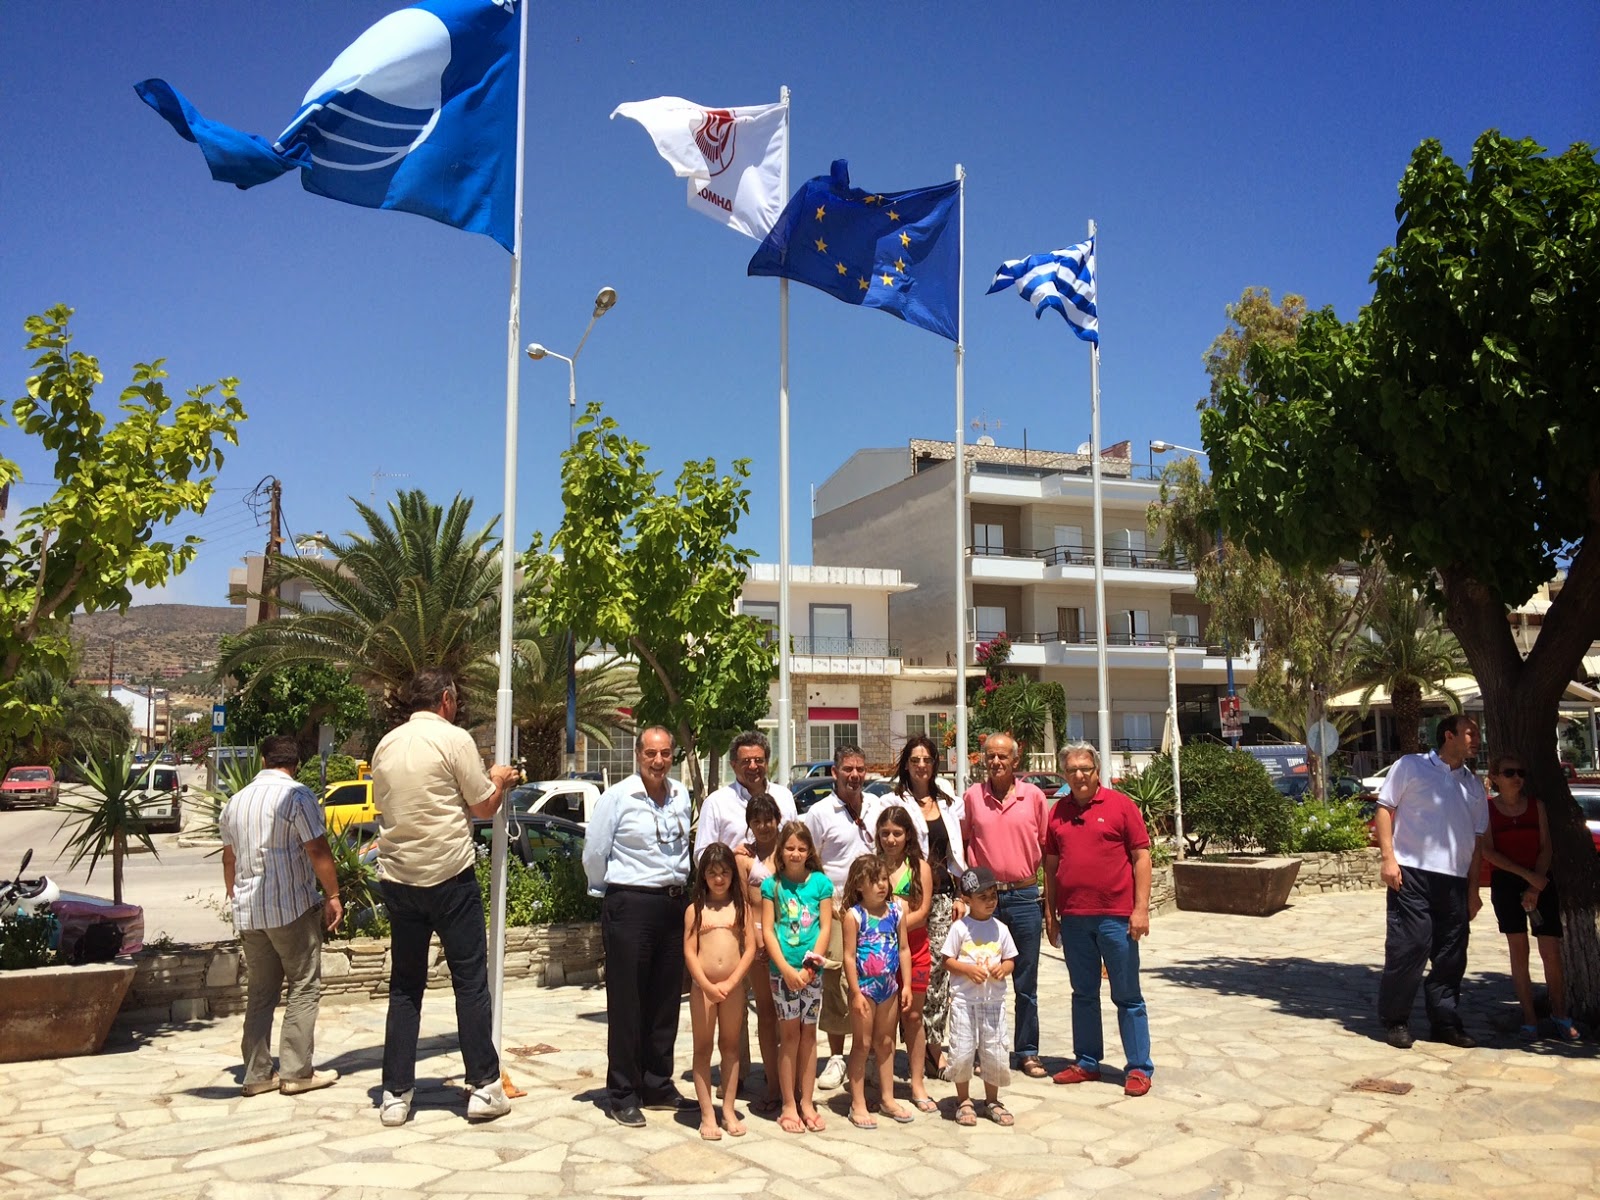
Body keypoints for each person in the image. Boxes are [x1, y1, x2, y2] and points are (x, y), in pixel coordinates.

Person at [371, 669, 520, 1126]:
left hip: (399, 878)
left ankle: (395, 1094)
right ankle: (484, 1086)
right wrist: (500, 779)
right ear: (445, 699)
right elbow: (483, 805)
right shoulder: (454, 740)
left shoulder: (386, 744)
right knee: (470, 981)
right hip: (450, 877)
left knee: (405, 987)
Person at [220, 734, 343, 1098]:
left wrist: (235, 894)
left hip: (250, 911)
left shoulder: (235, 801)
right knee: (303, 985)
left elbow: (229, 858)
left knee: (260, 992)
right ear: (296, 764)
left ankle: (257, 1073)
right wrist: (333, 895)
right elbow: (316, 848)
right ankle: (296, 1072)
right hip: (290, 907)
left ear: (263, 761)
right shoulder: (298, 796)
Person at [583, 726, 695, 1127]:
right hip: (630, 904)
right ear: (638, 755)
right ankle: (623, 1092)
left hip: (672, 905)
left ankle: (657, 1084)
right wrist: (610, 893)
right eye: (651, 753)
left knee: (665, 1000)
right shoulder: (617, 798)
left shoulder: (681, 794)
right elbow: (595, 852)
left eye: (665, 753)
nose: (658, 761)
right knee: (628, 1002)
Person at [1043, 742, 1155, 1097]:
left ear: (1097, 771)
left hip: (1116, 918)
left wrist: (1140, 909)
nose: (1079, 775)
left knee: (1127, 995)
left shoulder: (1121, 806)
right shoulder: (1058, 813)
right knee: (1083, 994)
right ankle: (1087, 1061)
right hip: (1074, 918)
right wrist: (1050, 913)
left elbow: (1141, 857)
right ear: (1064, 774)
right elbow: (1050, 866)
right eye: (1072, 770)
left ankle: (1138, 1067)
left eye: (1085, 769)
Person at [1376, 714, 1488, 1049]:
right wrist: (1388, 859)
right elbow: (1385, 809)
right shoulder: (1411, 766)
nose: (1477, 739)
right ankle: (1396, 1020)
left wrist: (1473, 890)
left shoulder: (1473, 784)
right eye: (1470, 733)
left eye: (1477, 733)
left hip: (1454, 881)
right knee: (1410, 946)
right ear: (1449, 736)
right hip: (1412, 873)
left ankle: (1445, 1023)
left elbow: (1477, 840)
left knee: (1451, 955)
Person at [960, 732, 1050, 1077]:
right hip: (985, 900)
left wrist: (1049, 903)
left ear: (1015, 760)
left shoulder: (1034, 797)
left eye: (1003, 756)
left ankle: (1027, 1051)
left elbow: (1047, 849)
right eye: (991, 756)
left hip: (1025, 897)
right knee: (981, 979)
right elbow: (962, 843)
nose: (996, 762)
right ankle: (984, 1052)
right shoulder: (972, 796)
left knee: (1026, 981)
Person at [884, 734, 966, 1080]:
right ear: (906, 764)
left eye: (927, 760)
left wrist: (961, 894)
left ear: (935, 764)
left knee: (937, 975)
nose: (921, 766)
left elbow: (958, 851)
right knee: (901, 970)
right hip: (908, 896)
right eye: (915, 760)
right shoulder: (892, 800)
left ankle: (932, 1047)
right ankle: (899, 1047)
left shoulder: (948, 801)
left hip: (943, 898)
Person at [1480, 753, 1578, 1041]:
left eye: (1520, 773)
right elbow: (1488, 851)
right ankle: (1529, 1019)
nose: (1517, 778)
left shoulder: (1537, 806)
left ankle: (1560, 1013)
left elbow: (1546, 847)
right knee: (1519, 951)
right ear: (1495, 777)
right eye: (1509, 773)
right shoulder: (1487, 810)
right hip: (1507, 882)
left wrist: (1535, 885)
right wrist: (1526, 877)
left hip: (1540, 879)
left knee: (1550, 951)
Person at [803, 744, 876, 1091]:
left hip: (872, 906)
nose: (854, 775)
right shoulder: (819, 813)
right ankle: (836, 1056)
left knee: (871, 975)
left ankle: (868, 1052)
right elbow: (811, 859)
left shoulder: (876, 805)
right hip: (834, 907)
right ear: (835, 772)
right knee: (834, 980)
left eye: (860, 769)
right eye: (848, 769)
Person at [760, 819, 834, 1134]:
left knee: (809, 1035)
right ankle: (788, 1104)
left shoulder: (821, 884)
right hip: (783, 974)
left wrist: (810, 967)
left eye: (801, 848)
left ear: (809, 852)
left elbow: (826, 927)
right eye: (789, 848)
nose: (795, 853)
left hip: (811, 973)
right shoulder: (771, 886)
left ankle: (807, 1101)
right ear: (781, 851)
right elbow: (768, 930)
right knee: (789, 1036)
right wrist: (787, 970)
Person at [684, 842, 758, 1139]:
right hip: (703, 989)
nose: (718, 879)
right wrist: (705, 984)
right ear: (703, 875)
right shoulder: (695, 910)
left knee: (730, 1047)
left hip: (732, 989)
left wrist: (732, 981)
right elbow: (689, 951)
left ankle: (728, 1108)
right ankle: (706, 1114)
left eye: (725, 872)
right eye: (712, 873)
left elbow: (750, 948)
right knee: (702, 1048)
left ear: (732, 875)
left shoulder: (741, 908)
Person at [842, 853, 914, 1129]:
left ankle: (887, 1097)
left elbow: (904, 949)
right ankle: (857, 1102)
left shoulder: (896, 911)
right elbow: (849, 956)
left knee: (886, 1043)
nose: (882, 885)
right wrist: (855, 992)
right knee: (862, 1044)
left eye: (884, 879)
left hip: (890, 988)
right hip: (865, 989)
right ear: (859, 885)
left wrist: (907, 985)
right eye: (874, 881)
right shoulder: (854, 916)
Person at [941, 865, 1017, 1127]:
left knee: (994, 1052)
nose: (990, 901)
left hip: (993, 1003)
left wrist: (1003, 969)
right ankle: (963, 1100)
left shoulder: (1001, 929)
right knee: (962, 1051)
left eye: (993, 895)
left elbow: (1010, 960)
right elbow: (947, 960)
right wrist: (967, 970)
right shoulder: (960, 928)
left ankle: (992, 1100)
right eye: (982, 897)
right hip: (964, 1002)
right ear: (967, 900)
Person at [876, 804, 937, 1112]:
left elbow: (923, 911)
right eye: (885, 833)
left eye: (897, 833)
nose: (890, 839)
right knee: (884, 1022)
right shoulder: (873, 867)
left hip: (916, 950)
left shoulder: (919, 867)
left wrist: (891, 926)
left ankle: (917, 1082)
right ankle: (884, 1084)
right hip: (881, 954)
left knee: (913, 1016)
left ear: (908, 835)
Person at [735, 793, 785, 1115]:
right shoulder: (743, 858)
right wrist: (755, 940)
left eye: (768, 819)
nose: (764, 826)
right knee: (766, 1013)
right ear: (750, 824)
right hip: (757, 942)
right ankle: (772, 1082)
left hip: (789, 940)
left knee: (790, 1016)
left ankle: (791, 1078)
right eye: (757, 821)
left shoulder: (791, 850)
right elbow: (740, 902)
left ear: (777, 819)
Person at [695, 730, 798, 858]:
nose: (753, 766)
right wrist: (730, 856)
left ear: (766, 763)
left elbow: (797, 841)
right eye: (746, 761)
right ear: (733, 765)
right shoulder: (715, 803)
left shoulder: (784, 797)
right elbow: (701, 855)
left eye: (758, 760)